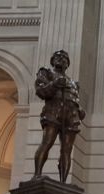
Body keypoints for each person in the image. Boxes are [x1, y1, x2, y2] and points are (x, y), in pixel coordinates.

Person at [33, 50, 86, 184]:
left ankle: (63, 182)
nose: (61, 59)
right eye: (58, 57)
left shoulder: (74, 83)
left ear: (68, 64)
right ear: (53, 60)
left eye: (64, 58)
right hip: (54, 110)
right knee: (47, 142)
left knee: (67, 150)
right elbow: (41, 91)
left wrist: (80, 110)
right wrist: (55, 84)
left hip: (71, 114)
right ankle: (37, 174)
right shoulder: (46, 73)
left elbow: (74, 99)